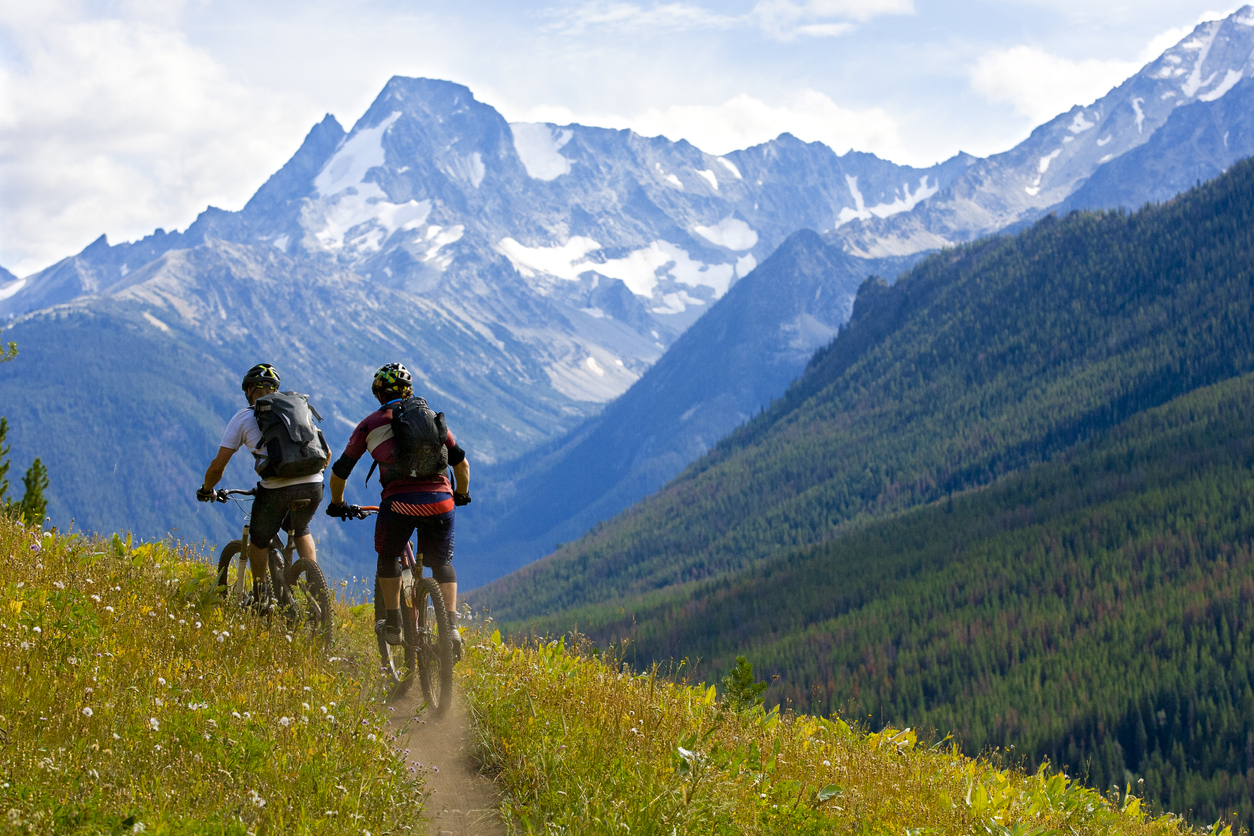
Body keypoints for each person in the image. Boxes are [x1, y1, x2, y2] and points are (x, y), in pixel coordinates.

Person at [325, 362, 470, 658]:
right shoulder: (431, 418)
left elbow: (340, 471)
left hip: (399, 504)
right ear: (410, 391)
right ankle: (451, 626)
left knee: (388, 557)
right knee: (441, 563)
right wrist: (461, 494)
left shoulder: (370, 424)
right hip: (442, 502)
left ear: (379, 394)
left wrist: (337, 503)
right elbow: (461, 464)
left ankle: (393, 623)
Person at [197, 363, 326, 610]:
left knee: (259, 540)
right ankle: (315, 594)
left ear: (249, 391)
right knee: (301, 528)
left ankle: (261, 597)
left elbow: (218, 466)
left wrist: (206, 489)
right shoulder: (297, 409)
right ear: (275, 388)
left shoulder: (244, 417)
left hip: (276, 488)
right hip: (314, 484)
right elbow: (325, 452)